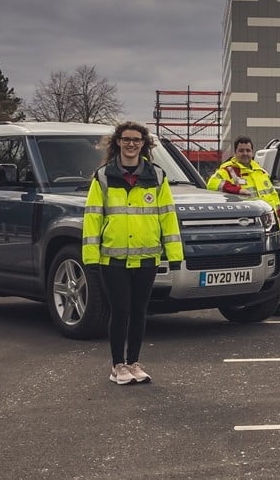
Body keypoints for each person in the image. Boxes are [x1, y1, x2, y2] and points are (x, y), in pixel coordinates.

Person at [84, 121, 183, 385]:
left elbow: (168, 218)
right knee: (120, 310)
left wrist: (175, 255)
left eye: (136, 140)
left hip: (147, 257)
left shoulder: (157, 176)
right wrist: (91, 258)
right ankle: (118, 366)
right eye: (126, 139)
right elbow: (92, 218)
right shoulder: (103, 176)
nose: (131, 144)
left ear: (144, 144)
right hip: (113, 258)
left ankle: (134, 363)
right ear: (117, 142)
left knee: (139, 311)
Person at [207, 135, 280, 223]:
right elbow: (211, 184)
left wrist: (279, 221)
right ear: (235, 153)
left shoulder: (260, 172)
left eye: (248, 150)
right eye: (241, 151)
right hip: (244, 222)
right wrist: (239, 190)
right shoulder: (228, 170)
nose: (245, 153)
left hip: (268, 222)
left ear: (252, 153)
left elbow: (275, 198)